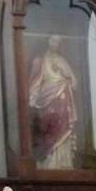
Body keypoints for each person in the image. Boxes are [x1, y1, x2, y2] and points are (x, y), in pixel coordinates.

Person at [28, 34, 78, 170]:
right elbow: (34, 82)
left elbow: (74, 83)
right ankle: (48, 163)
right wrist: (33, 97)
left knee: (63, 128)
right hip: (46, 101)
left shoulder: (63, 61)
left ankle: (63, 162)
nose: (55, 44)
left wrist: (65, 74)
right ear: (47, 41)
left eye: (58, 42)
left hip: (63, 100)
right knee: (48, 130)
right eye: (53, 40)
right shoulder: (40, 60)